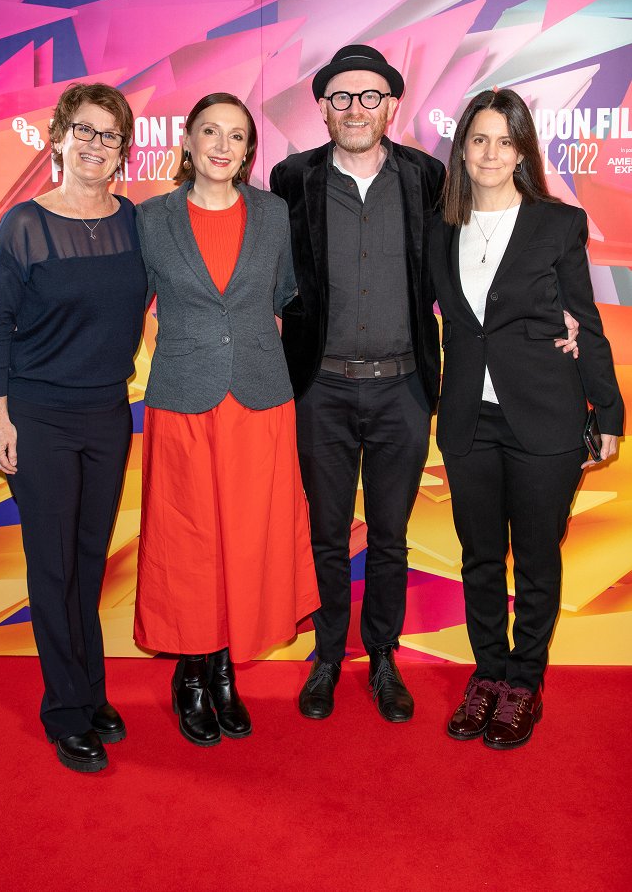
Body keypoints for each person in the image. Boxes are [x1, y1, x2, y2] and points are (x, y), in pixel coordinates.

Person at [432, 88, 624, 749]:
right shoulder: (439, 225)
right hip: (467, 417)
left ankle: (522, 684)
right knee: (480, 557)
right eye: (478, 139)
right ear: (462, 147)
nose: (489, 153)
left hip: (544, 413)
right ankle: (486, 674)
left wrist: (609, 411)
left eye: (503, 141)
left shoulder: (555, 223)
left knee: (536, 560)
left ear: (521, 151)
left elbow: (587, 321)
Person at [134, 92, 319, 747]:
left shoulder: (273, 215)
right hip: (183, 397)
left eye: (235, 136)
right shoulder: (150, 219)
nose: (221, 144)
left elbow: (284, 295)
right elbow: (126, 303)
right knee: (188, 542)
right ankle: (192, 672)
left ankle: (223, 675)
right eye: (209, 131)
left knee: (243, 535)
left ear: (247, 151)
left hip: (259, 398)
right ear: (186, 141)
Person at [269, 45, 446, 723]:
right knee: (325, 535)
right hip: (322, 389)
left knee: (392, 536)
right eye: (340, 97)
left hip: (402, 387)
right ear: (321, 107)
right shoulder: (292, 179)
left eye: (369, 96)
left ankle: (382, 658)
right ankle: (325, 658)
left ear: (391, 106)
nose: (355, 109)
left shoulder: (426, 178)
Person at [0, 83, 148, 773]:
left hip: (108, 412)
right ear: (57, 137)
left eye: (109, 135)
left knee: (87, 562)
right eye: (84, 130)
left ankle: (90, 693)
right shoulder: (24, 225)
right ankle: (64, 710)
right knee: (51, 567)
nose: (95, 145)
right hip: (38, 417)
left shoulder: (134, 222)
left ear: (123, 151)